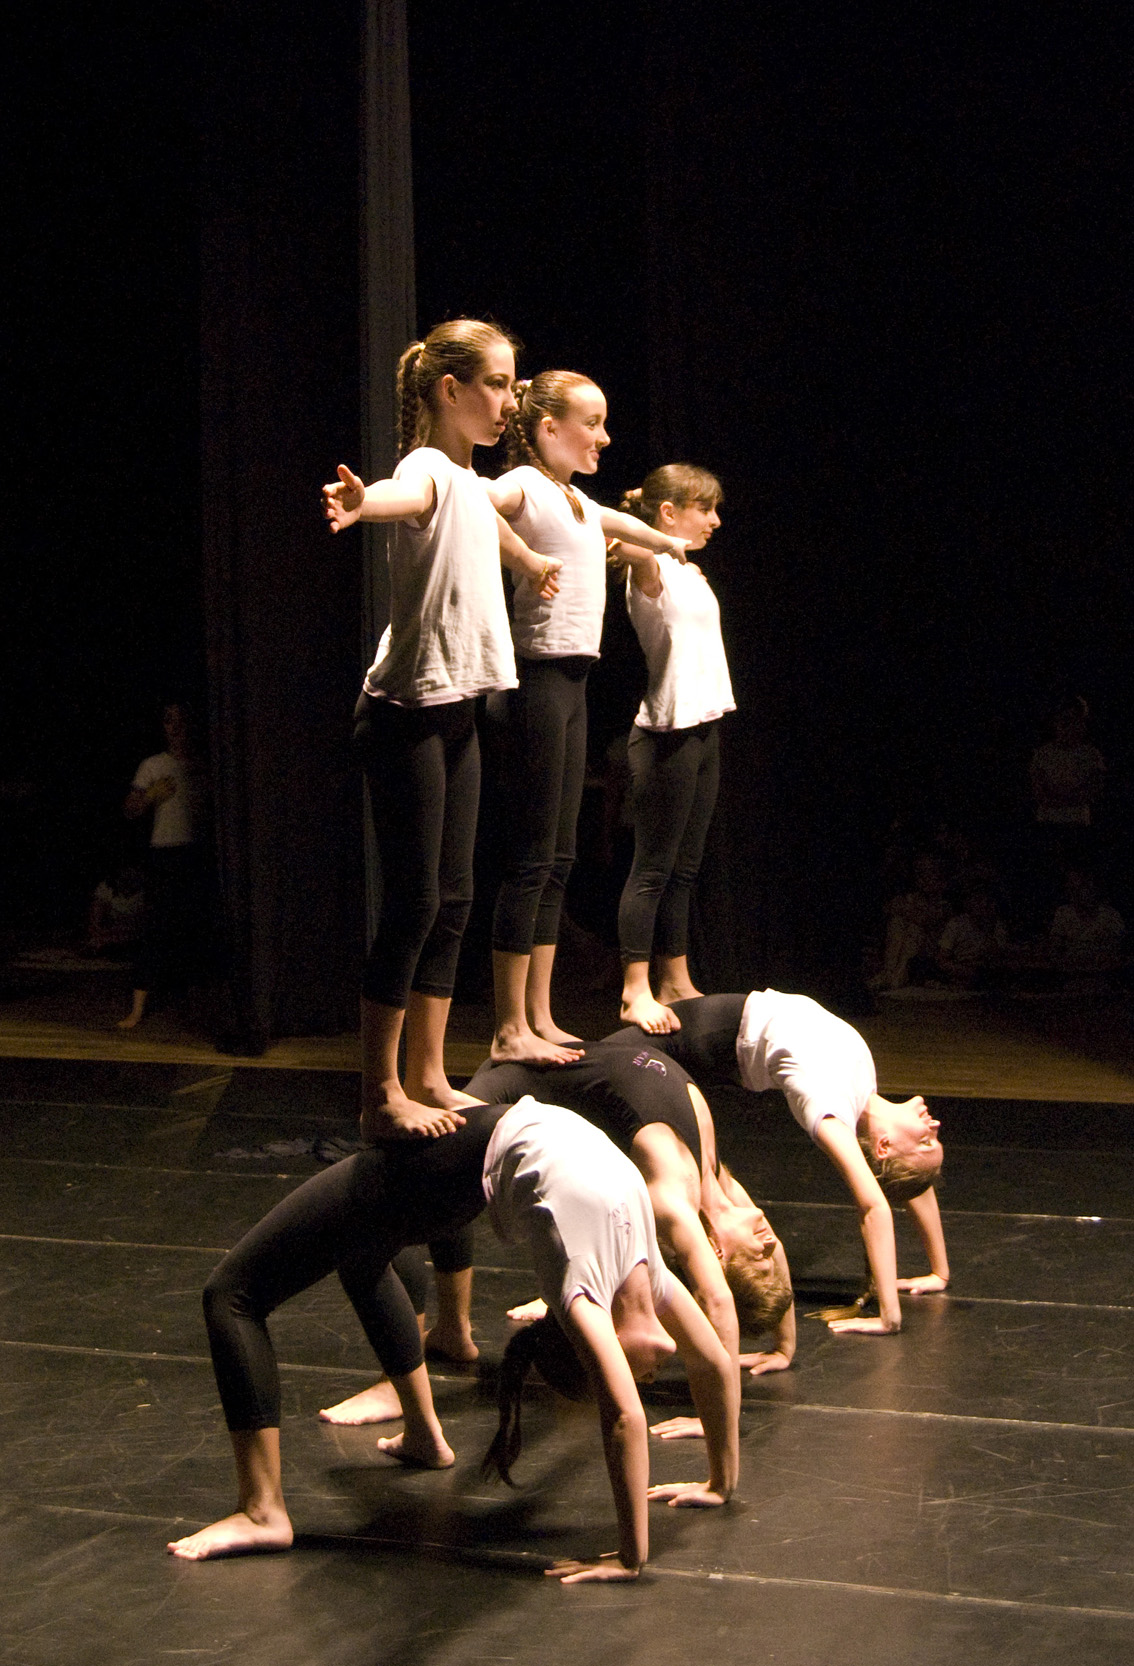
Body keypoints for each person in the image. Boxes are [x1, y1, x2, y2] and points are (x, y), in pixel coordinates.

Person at [166, 1098, 738, 1583]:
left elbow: (697, 1370)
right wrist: (637, 1551)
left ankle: (264, 1511)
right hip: (459, 1166)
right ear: (595, 1349)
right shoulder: (590, 1289)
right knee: (282, 1278)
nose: (655, 1367)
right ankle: (420, 1436)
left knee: (234, 1293)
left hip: (465, 1169)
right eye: (629, 1371)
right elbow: (637, 1410)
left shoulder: (622, 1282)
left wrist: (718, 1482)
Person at [322, 319, 560, 1140]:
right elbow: (407, 495)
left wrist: (528, 563)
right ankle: (379, 1092)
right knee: (416, 901)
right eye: (495, 385)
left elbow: (480, 518)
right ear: (448, 391)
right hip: (403, 719)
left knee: (454, 897)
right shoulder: (426, 466)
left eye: (514, 385)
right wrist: (362, 504)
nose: (509, 402)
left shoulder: (467, 477)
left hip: (454, 712)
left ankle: (428, 1073)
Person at [320, 1035, 795, 1429]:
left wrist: (713, 1413)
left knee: (430, 1183)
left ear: (714, 1250)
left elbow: (718, 1302)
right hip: (526, 1073)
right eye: (771, 1251)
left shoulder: (678, 1202)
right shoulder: (720, 1187)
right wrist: (784, 1345)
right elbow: (730, 1291)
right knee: (438, 1177)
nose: (770, 1240)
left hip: (527, 1088)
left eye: (759, 1255)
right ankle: (447, 1335)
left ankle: (421, 1360)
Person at [483, 373, 690, 1065]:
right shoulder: (523, 485)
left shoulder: (574, 499)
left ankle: (539, 1014)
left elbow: (620, 523)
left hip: (573, 682)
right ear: (548, 430)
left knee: (561, 857)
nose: (603, 437)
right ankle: (510, 1025)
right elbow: (472, 503)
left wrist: (665, 542)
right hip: (536, 680)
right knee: (530, 858)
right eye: (591, 423)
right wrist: (521, 554)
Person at [607, 991, 949, 1337]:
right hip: (688, 1033)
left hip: (674, 1047)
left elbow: (874, 1203)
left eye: (925, 1141)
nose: (934, 1126)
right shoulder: (863, 1089)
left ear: (885, 1147)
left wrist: (890, 1316)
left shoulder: (826, 1107)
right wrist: (940, 1271)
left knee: (574, 1070)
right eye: (933, 1139)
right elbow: (906, 1181)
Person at [608, 465, 735, 1034]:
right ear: (668, 513)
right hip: (667, 735)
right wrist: (638, 539)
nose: (713, 520)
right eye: (703, 508)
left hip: (705, 726)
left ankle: (675, 979)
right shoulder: (652, 565)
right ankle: (635, 989)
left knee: (685, 869)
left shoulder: (689, 571)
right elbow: (627, 547)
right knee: (652, 869)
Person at [119, 702, 212, 1029]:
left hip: (196, 854)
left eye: (181, 721)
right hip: (165, 855)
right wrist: (150, 796)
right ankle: (136, 1011)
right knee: (155, 929)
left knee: (196, 930)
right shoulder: (153, 765)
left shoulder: (205, 764)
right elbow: (130, 810)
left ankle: (199, 1008)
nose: (175, 727)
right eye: (169, 721)